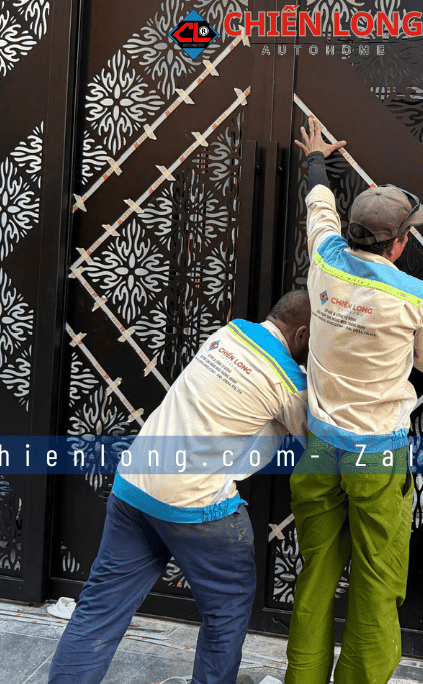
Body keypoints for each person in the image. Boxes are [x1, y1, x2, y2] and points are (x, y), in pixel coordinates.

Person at [285, 117, 423, 684]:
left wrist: (316, 160)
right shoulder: (413, 296)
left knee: (317, 571)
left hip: (320, 448)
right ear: (400, 243)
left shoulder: (324, 259)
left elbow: (318, 209)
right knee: (376, 578)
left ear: (354, 232)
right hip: (377, 457)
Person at [49, 290, 312, 684]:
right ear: (302, 334)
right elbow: (325, 438)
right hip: (196, 506)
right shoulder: (288, 381)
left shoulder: (230, 333)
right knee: (226, 609)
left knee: (100, 608)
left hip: (136, 484)